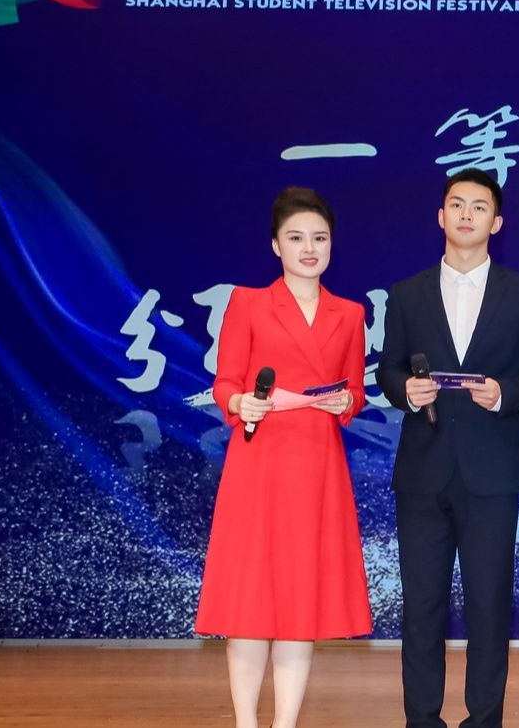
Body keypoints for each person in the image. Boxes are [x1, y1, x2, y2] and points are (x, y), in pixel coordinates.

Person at [376, 168, 519, 728]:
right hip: (423, 469)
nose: (466, 215)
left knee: (488, 605)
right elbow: (388, 368)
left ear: (496, 222)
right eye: (456, 205)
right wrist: (405, 391)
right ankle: (422, 720)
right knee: (422, 607)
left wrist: (506, 393)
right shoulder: (407, 293)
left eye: (479, 207)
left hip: (493, 471)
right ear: (440, 217)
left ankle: (484, 720)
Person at [196, 187, 372, 728]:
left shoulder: (349, 313)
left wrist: (347, 402)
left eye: (319, 238)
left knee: (300, 599)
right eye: (296, 238)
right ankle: (246, 722)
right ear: (276, 245)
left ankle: (285, 723)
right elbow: (226, 382)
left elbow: (355, 389)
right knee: (251, 598)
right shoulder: (248, 304)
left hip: (317, 463)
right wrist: (239, 403)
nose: (309, 248)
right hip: (260, 459)